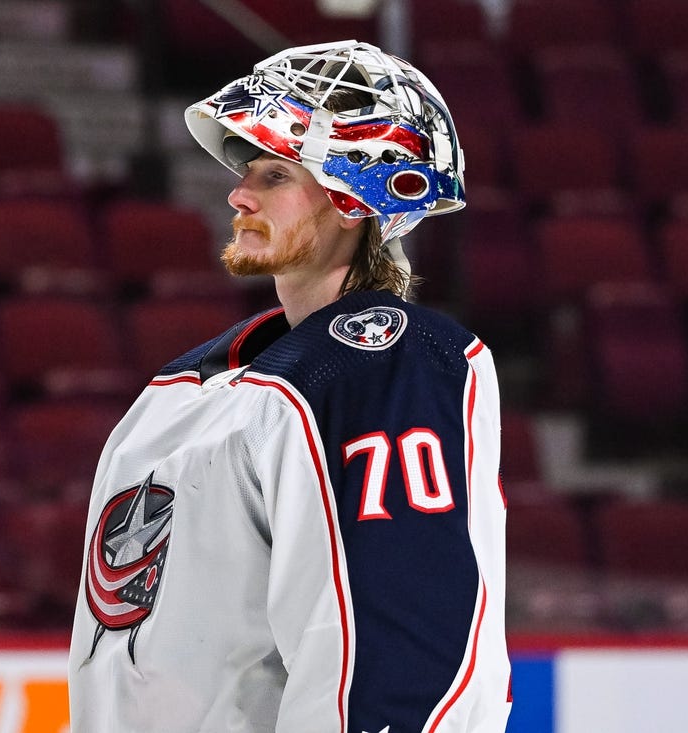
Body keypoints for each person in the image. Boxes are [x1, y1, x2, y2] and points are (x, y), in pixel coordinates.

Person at [68, 39, 512, 732]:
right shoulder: (188, 385)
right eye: (247, 169)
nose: (238, 192)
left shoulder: (384, 364)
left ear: (352, 196)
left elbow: (399, 648)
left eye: (275, 174)